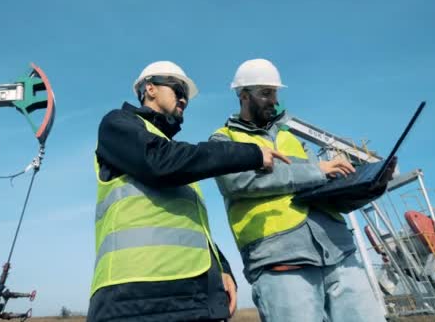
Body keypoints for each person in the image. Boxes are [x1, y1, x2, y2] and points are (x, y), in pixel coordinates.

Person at [87, 60, 290, 322]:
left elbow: (191, 224)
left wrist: (221, 268)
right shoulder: (118, 124)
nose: (184, 98)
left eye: (187, 95)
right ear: (150, 88)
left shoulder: (177, 155)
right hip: (134, 295)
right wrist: (250, 153)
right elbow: (159, 163)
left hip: (192, 295)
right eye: (178, 89)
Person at [209, 59, 396, 322]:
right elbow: (237, 181)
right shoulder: (223, 139)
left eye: (275, 93)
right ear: (243, 96)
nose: (274, 100)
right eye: (265, 93)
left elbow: (328, 196)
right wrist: (317, 170)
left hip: (339, 253)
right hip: (281, 261)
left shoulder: (290, 139)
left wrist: (371, 186)